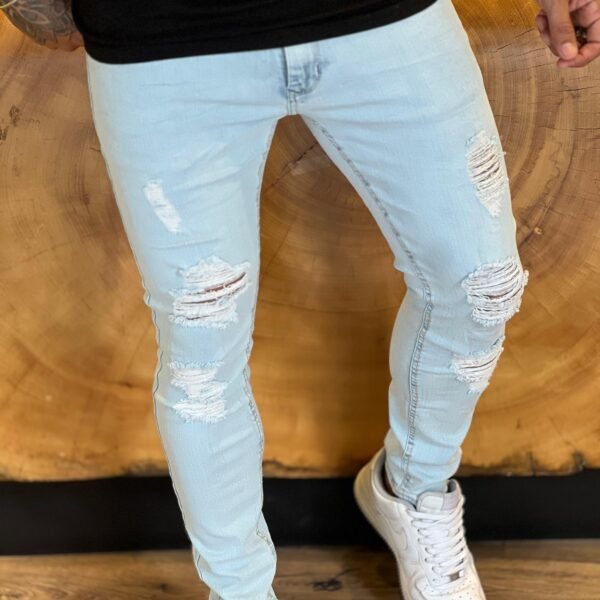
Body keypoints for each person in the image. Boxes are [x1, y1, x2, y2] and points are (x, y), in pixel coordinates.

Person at [3, 1, 598, 599]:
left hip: (382, 13)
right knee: (201, 348)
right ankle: (239, 590)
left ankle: (413, 489)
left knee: (482, 285)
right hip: (163, 37)